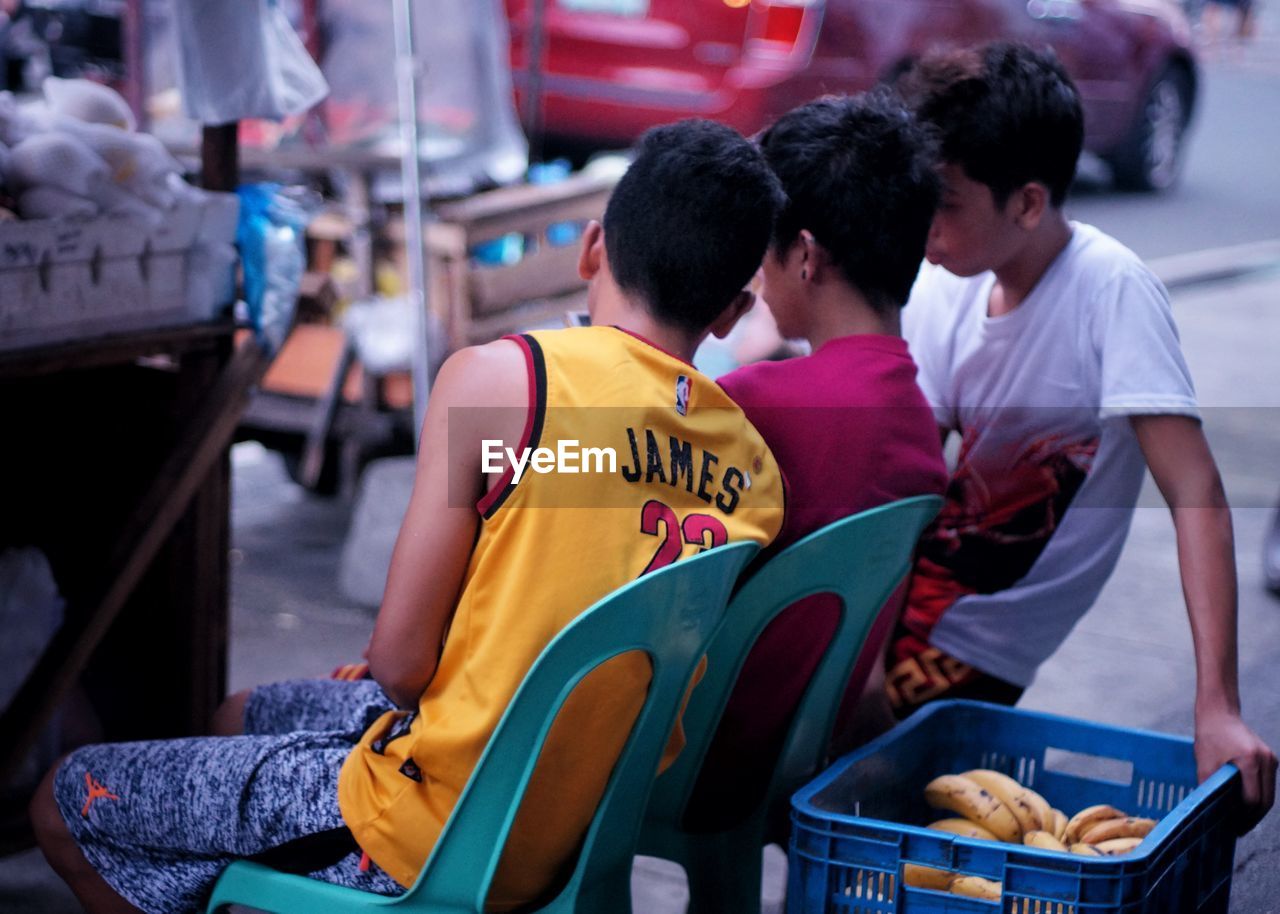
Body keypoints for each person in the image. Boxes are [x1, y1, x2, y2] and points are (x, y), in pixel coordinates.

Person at [29, 118, 788, 914]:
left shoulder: (505, 383)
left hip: (432, 826)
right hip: (577, 821)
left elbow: (399, 664)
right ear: (733, 310)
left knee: (68, 798)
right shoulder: (752, 468)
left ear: (593, 247)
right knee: (240, 715)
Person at [888, 42, 1276, 827]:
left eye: (948, 204)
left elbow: (1195, 490)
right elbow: (905, 481)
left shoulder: (1112, 292)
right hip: (902, 603)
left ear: (1028, 203)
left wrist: (1217, 704)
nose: (923, 228)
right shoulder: (942, 288)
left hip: (977, 637)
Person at [685, 91, 949, 825]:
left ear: (803, 255)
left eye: (762, 248)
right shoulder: (919, 423)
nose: (755, 274)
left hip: (689, 753)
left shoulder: (752, 404)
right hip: (801, 756)